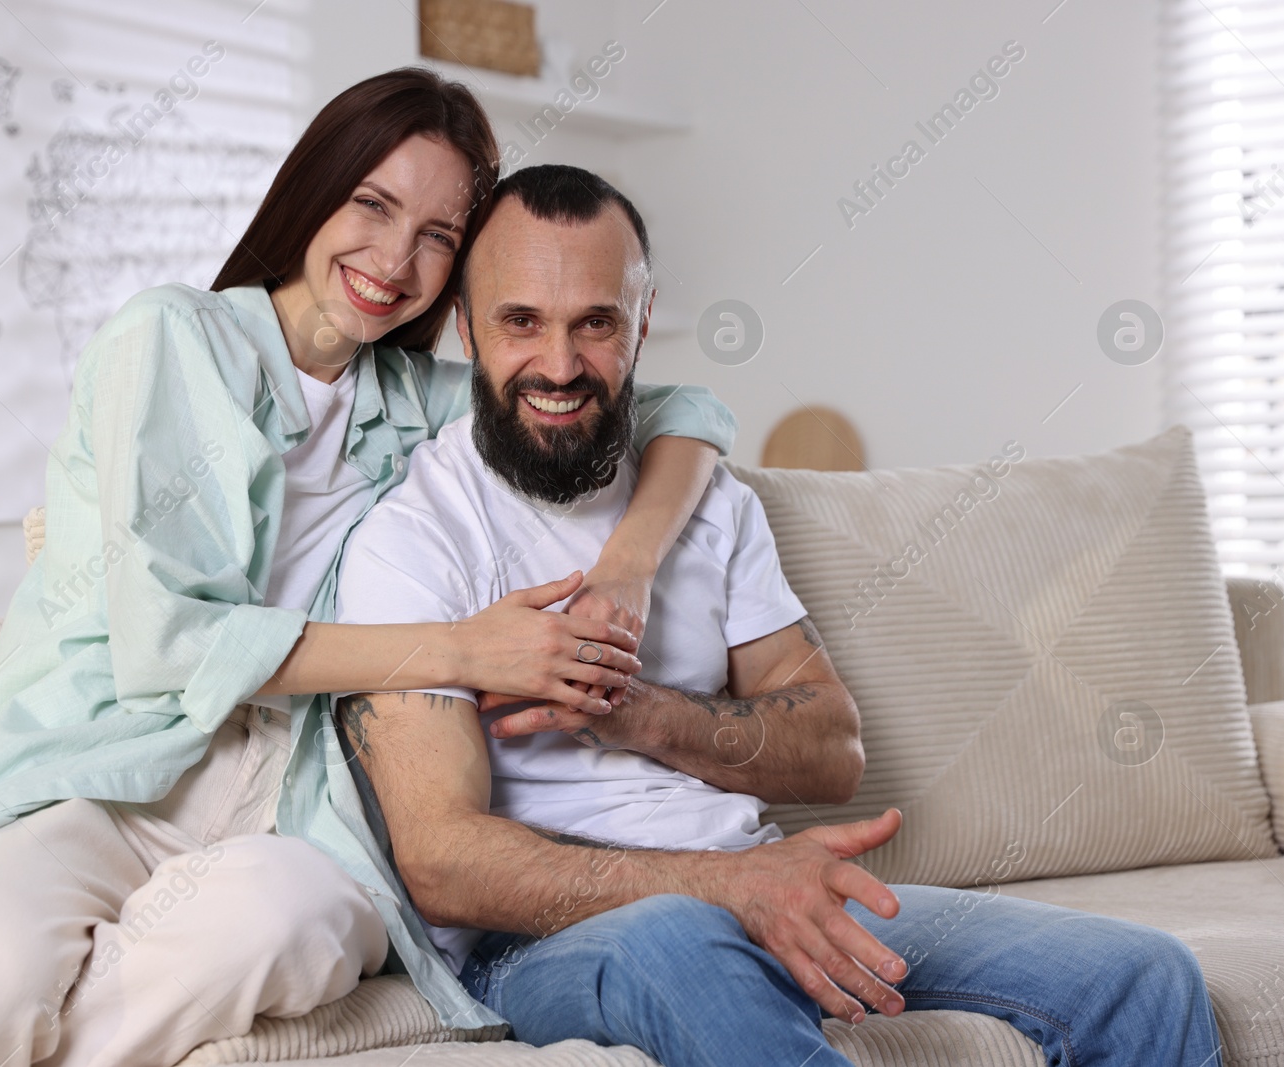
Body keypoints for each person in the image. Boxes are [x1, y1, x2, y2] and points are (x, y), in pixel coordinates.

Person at [0, 72, 739, 1067]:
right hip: (97, 773)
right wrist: (467, 647)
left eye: (437, 236)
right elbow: (168, 639)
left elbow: (682, 411)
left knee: (302, 923)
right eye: (372, 206)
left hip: (293, 801)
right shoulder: (173, 337)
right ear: (315, 188)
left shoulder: (423, 399)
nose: (394, 259)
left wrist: (631, 565)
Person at [332, 163, 1226, 1067]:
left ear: (642, 323)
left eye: (594, 323)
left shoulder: (708, 506)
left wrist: (635, 708)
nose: (559, 366)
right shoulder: (414, 540)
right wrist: (729, 887)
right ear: (465, 327)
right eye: (521, 321)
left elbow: (833, 751)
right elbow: (441, 861)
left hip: (762, 882)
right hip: (550, 942)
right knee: (685, 941)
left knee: (1144, 974)